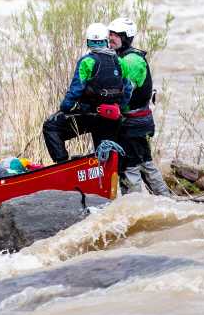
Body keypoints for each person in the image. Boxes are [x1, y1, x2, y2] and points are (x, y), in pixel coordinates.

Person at [43, 23, 129, 164]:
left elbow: (75, 91)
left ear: (88, 42)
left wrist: (63, 109)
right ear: (106, 40)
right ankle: (104, 181)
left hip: (89, 116)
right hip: (113, 117)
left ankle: (63, 167)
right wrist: (118, 108)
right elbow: (127, 91)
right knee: (105, 155)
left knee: (50, 126)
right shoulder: (119, 62)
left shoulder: (86, 62)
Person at [107, 17, 173, 196]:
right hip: (140, 121)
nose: (111, 38)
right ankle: (165, 202)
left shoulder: (131, 61)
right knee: (145, 164)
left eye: (116, 35)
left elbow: (123, 92)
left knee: (129, 167)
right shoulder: (124, 57)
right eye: (110, 34)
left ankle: (134, 209)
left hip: (133, 123)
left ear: (126, 38)